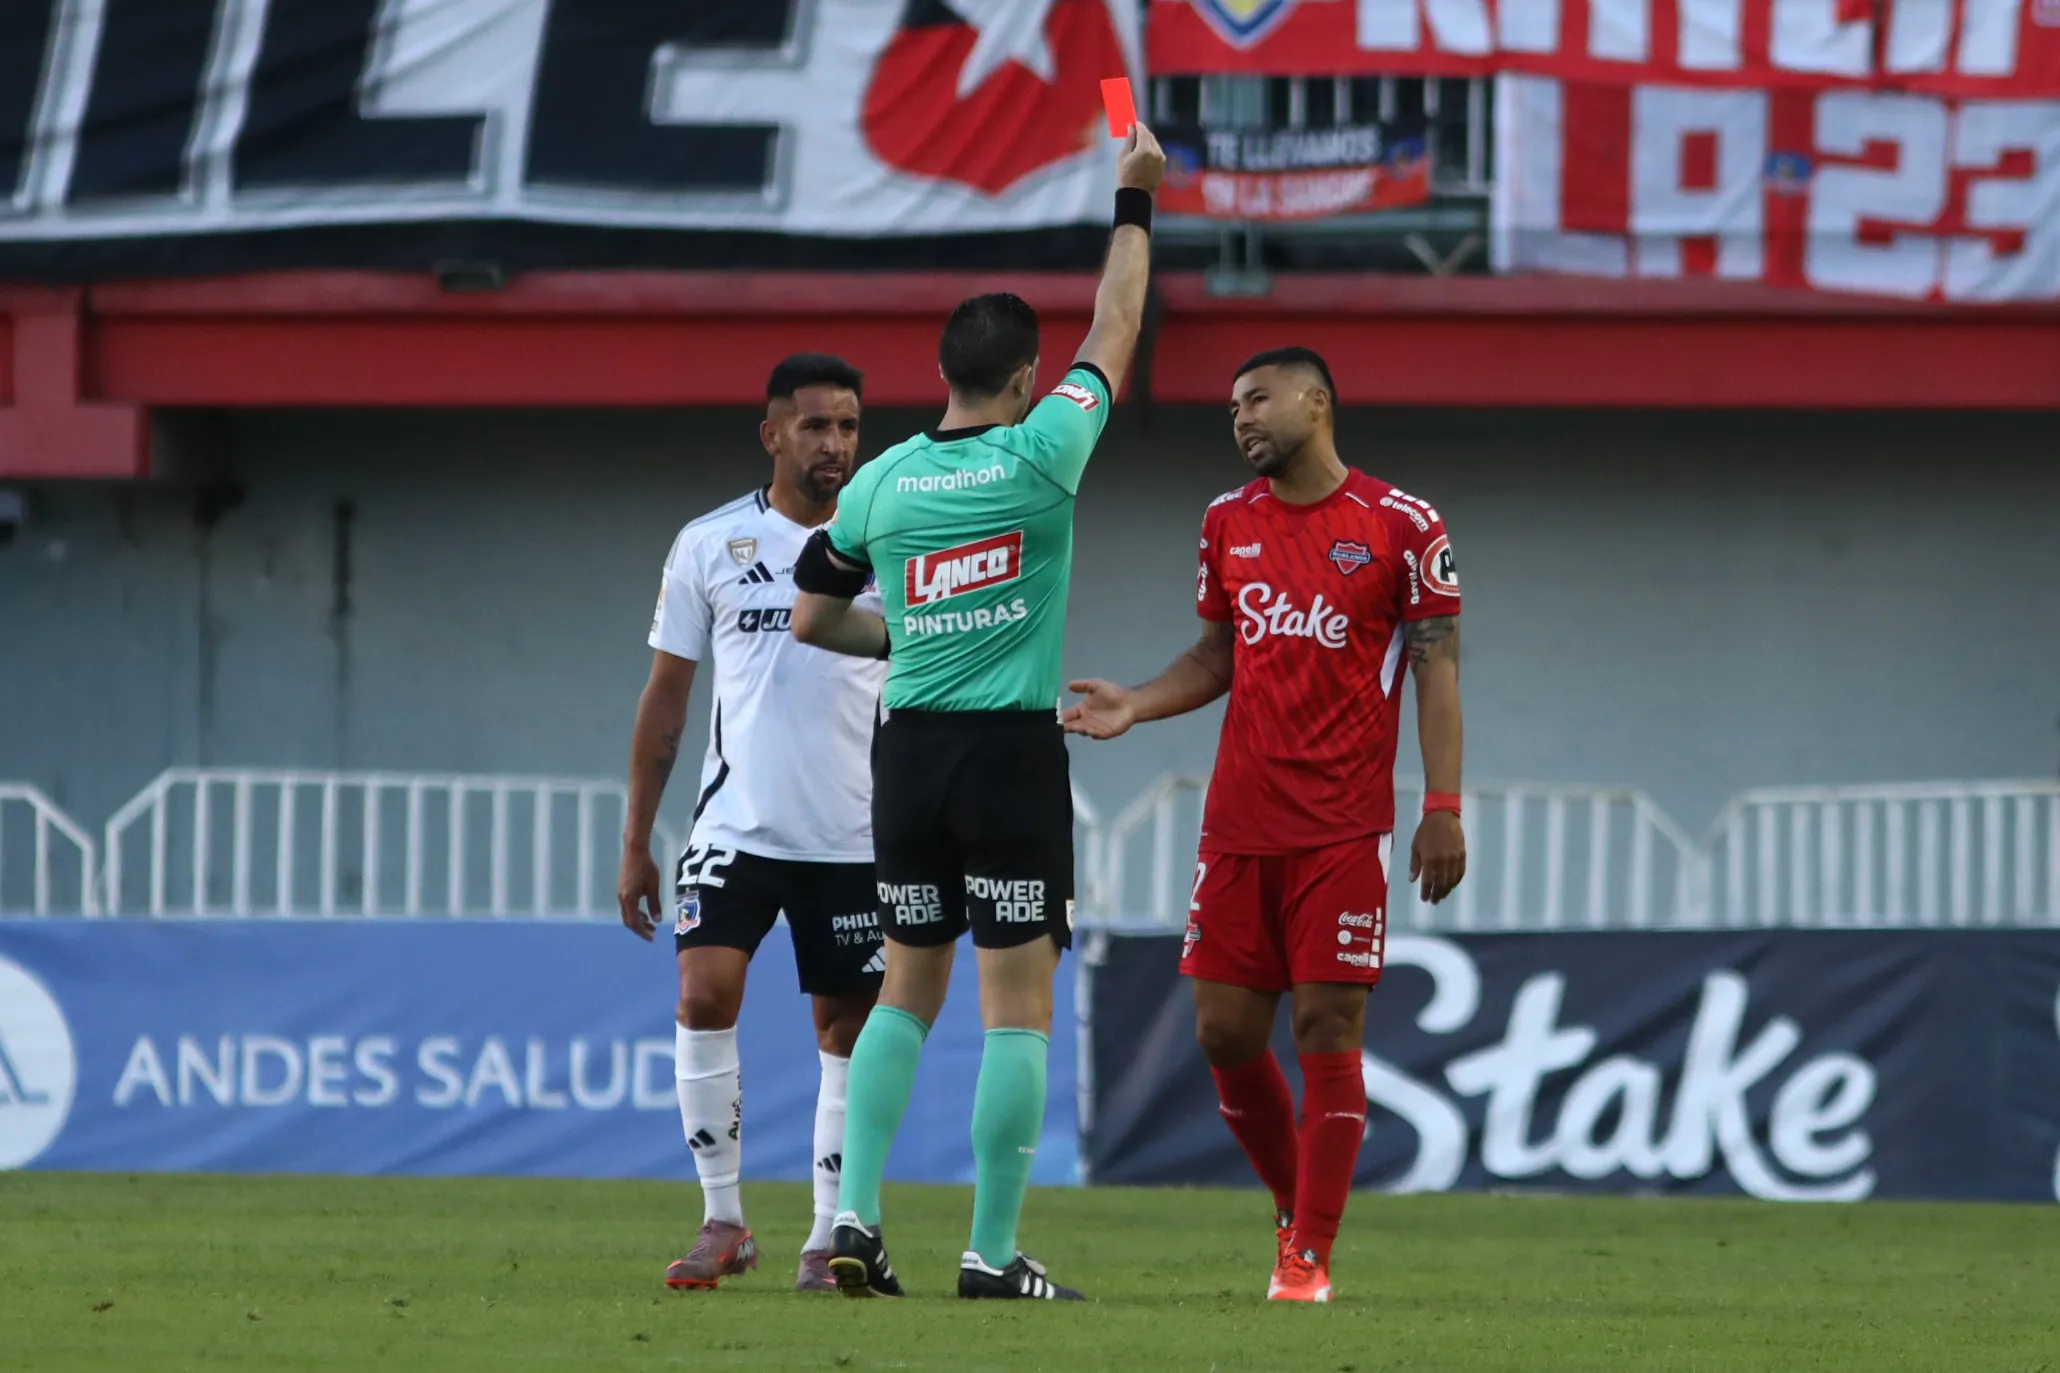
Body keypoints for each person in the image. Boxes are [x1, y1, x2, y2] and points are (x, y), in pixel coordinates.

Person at [787, 125, 1167, 1302]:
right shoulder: (1043, 449)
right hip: (1006, 754)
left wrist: (910, 629)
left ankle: (850, 1219)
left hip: (904, 756)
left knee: (906, 983)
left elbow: (811, 616)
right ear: (1018, 380)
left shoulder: (883, 478)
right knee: (1018, 1008)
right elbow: (1117, 324)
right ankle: (990, 1253)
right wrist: (1132, 198)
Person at [1061, 346, 1467, 1304]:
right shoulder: (1224, 523)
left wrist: (1441, 806)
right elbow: (1216, 656)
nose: (1241, 418)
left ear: (1317, 401)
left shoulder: (1402, 526)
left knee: (1328, 1024)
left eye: (1257, 399)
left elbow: (1439, 671)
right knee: (1223, 1032)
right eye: (1231, 407)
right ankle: (1296, 1211)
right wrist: (1139, 702)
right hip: (1237, 826)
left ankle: (1308, 1258)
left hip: (1341, 829)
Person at [618, 354, 887, 1294]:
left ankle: (825, 1235)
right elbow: (665, 701)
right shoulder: (711, 543)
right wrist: (636, 840)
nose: (836, 444)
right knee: (703, 996)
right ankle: (723, 1218)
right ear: (773, 435)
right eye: (817, 426)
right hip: (735, 827)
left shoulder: (893, 542)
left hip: (856, 836)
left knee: (844, 1033)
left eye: (849, 426)